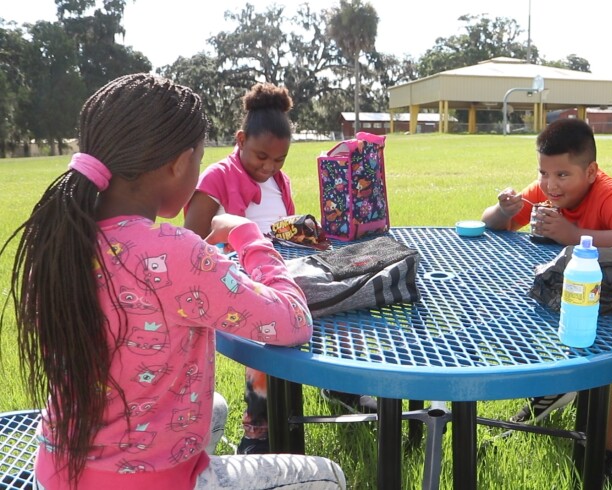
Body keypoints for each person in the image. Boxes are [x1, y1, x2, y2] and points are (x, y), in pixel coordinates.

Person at [2, 73, 346, 489]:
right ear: (179, 163)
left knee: (214, 408)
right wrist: (248, 236)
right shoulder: (174, 253)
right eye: (200, 159)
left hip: (57, 471)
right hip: (148, 482)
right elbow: (293, 322)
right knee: (328, 477)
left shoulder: (57, 241)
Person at [183, 83, 373, 454]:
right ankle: (259, 436)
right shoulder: (216, 178)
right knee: (266, 356)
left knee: (341, 304)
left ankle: (341, 387)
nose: (269, 167)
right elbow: (192, 241)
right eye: (261, 157)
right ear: (240, 140)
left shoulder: (279, 181)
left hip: (280, 275)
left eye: (279, 160)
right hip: (241, 284)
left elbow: (283, 228)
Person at [481, 118, 612, 486]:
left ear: (591, 171)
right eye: (543, 173)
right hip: (557, 289)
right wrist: (505, 211)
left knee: (596, 363)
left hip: (603, 296)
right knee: (512, 319)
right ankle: (554, 388)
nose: (550, 185)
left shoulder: (608, 194)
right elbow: (490, 222)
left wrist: (575, 235)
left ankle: (605, 454)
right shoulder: (546, 192)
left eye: (562, 175)